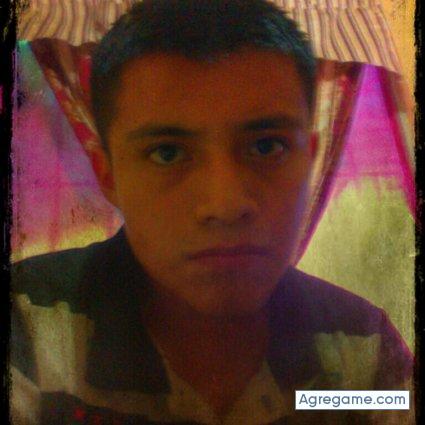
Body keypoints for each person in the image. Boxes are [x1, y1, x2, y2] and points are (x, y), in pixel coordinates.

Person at [10, 0, 413, 424]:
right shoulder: (29, 329)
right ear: (107, 174)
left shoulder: (363, 354)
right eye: (167, 153)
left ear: (308, 159)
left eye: (267, 147)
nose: (225, 205)